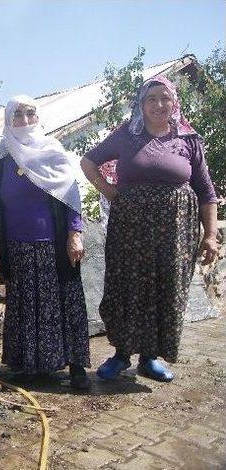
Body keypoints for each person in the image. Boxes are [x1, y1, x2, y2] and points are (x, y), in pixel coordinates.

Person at [80, 76, 219, 383]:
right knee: (125, 285)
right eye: (151, 99)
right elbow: (88, 162)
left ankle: (150, 358)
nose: (159, 105)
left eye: (164, 98)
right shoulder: (126, 136)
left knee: (166, 288)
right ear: (141, 105)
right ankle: (120, 355)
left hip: (175, 232)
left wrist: (210, 234)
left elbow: (207, 192)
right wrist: (109, 191)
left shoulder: (189, 140)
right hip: (130, 229)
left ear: (174, 103)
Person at [0, 95, 91, 389]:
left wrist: (74, 233)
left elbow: (71, 195)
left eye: (30, 114)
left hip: (55, 246)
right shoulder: (0, 157)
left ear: (37, 118)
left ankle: (75, 367)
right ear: (8, 120)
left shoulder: (52, 151)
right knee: (26, 307)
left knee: (64, 302)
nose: (25, 120)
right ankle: (31, 367)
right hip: (18, 247)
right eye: (18, 115)